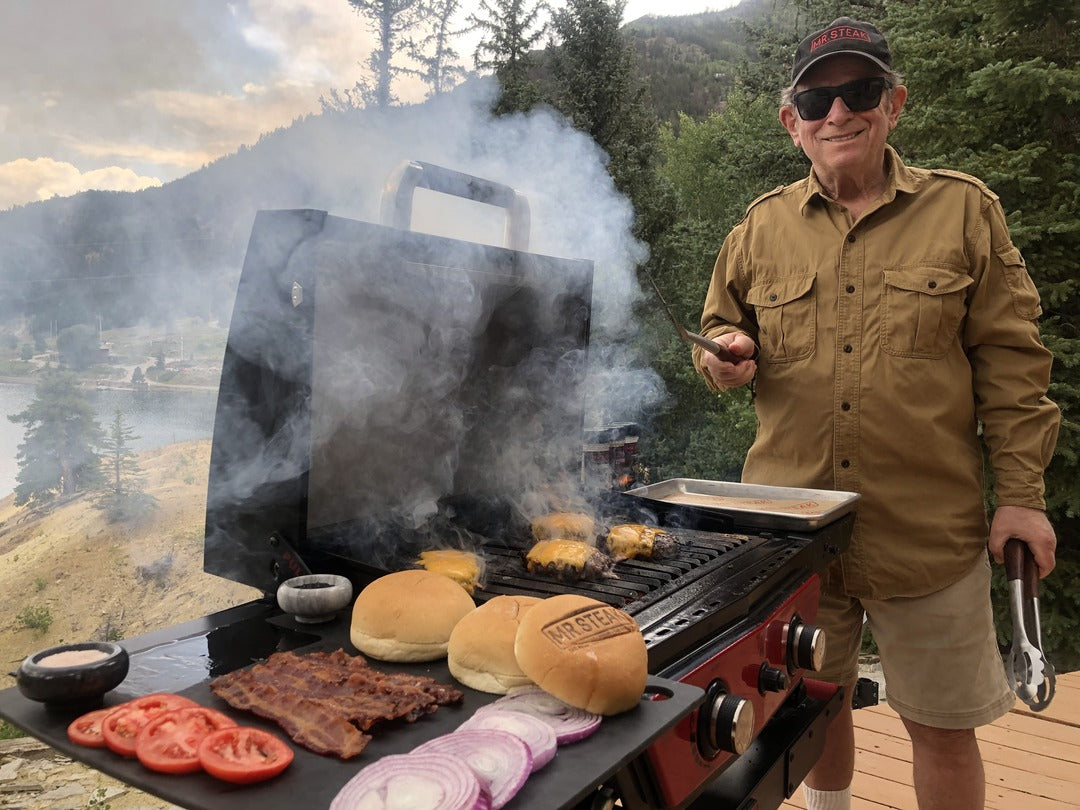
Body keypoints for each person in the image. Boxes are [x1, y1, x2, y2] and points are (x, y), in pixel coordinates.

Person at [691, 16, 1060, 810]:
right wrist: (723, 351)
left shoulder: (963, 212)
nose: (838, 113)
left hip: (927, 530)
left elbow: (1013, 365)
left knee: (943, 728)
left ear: (895, 103)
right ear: (792, 123)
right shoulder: (757, 228)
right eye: (817, 99)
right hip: (791, 531)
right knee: (809, 710)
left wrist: (1023, 497)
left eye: (859, 91)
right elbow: (716, 338)